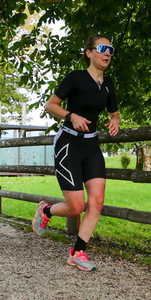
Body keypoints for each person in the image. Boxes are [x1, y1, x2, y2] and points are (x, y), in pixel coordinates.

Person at [33, 34, 120, 271]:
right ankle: (46, 210)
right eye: (103, 49)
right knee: (76, 207)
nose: (107, 54)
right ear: (89, 52)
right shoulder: (75, 78)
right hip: (68, 145)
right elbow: (51, 105)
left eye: (111, 51)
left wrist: (116, 120)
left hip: (92, 146)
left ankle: (77, 252)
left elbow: (114, 112)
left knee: (97, 202)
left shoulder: (108, 85)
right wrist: (71, 116)